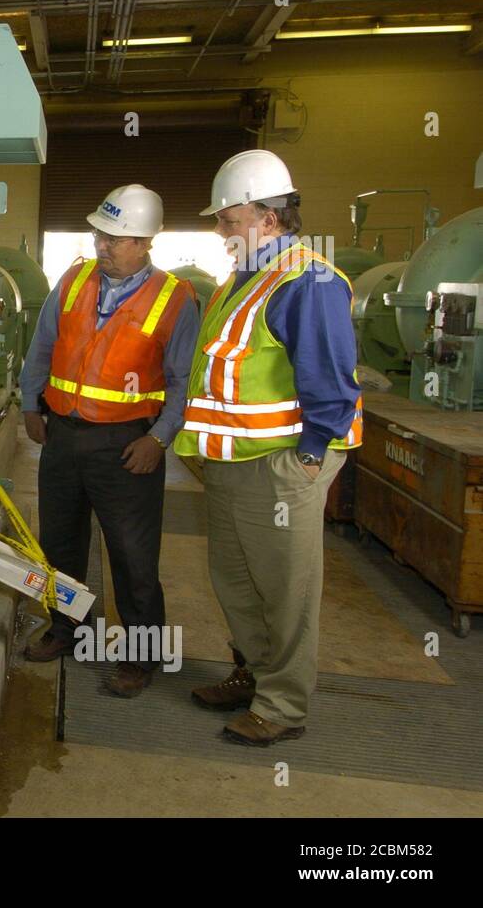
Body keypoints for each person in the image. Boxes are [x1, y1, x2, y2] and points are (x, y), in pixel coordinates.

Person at [173, 149, 362, 746]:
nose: (221, 230)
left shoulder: (311, 279)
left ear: (270, 217)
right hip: (234, 462)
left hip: (283, 462)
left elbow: (331, 382)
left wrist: (308, 457)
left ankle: (282, 706)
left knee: (286, 588)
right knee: (233, 578)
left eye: (229, 218)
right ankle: (252, 674)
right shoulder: (243, 279)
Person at [20, 185, 197, 697]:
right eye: (100, 233)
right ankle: (68, 629)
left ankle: (140, 656)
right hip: (63, 436)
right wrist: (32, 403)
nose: (102, 244)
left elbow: (184, 380)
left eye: (116, 238)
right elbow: (42, 343)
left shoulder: (175, 298)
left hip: (127, 445)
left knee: (132, 555)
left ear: (144, 242)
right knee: (60, 544)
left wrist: (160, 439)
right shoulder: (73, 280)